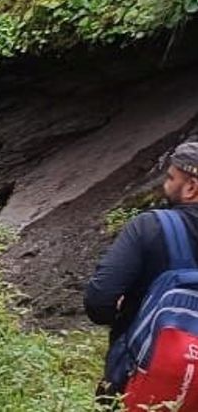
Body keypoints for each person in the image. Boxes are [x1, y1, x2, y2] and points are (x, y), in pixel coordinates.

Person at [86, 141, 198, 406]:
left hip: (139, 380)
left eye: (171, 178)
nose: (165, 184)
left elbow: (98, 301)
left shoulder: (150, 227)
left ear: (191, 187)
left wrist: (126, 313)